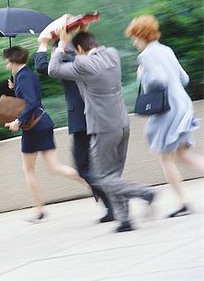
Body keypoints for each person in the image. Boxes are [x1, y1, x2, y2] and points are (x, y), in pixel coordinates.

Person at [47, 29, 155, 232]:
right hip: (122, 123)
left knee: (101, 178)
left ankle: (144, 192)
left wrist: (62, 44)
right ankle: (124, 220)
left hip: (103, 128)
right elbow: (86, 50)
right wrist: (77, 34)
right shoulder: (112, 54)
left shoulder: (83, 64)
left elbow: (53, 69)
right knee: (114, 175)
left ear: (79, 49)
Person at [125, 15, 204, 218]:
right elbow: (184, 78)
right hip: (183, 105)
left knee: (165, 158)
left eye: (134, 37)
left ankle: (184, 203)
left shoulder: (146, 56)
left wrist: (142, 74)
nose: (134, 42)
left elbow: (157, 81)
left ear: (141, 35)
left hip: (168, 110)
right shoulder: (166, 50)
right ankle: (183, 202)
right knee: (184, 155)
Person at [35, 36, 114, 223]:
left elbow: (42, 67)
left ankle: (114, 202)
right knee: (92, 165)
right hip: (95, 116)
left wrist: (43, 44)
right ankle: (111, 204)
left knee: (83, 165)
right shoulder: (85, 59)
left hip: (82, 118)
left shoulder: (68, 61)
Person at [3, 46, 86, 223]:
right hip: (43, 122)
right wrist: (14, 86)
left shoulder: (23, 77)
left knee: (28, 169)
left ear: (12, 61)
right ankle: (90, 183)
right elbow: (29, 97)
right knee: (54, 167)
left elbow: (30, 102)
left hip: (33, 126)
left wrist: (18, 121)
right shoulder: (26, 75)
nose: (5, 64)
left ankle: (39, 210)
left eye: (6, 60)